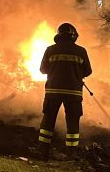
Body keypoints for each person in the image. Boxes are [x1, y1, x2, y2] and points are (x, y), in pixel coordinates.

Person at [37, 22, 92, 161]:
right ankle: (71, 154)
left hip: (53, 92)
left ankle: (43, 153)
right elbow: (88, 71)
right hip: (73, 93)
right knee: (72, 123)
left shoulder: (50, 50)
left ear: (59, 35)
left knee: (48, 121)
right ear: (73, 35)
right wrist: (76, 73)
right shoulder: (81, 51)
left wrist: (56, 70)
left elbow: (43, 70)